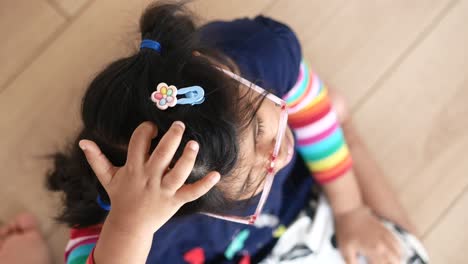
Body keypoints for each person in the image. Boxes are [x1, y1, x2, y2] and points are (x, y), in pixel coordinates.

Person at [42, 2, 428, 263]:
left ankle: (346, 133)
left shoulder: (256, 55)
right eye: (251, 180)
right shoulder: (113, 230)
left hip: (293, 210)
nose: (277, 155)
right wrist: (129, 227)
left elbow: (307, 100)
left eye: (261, 126)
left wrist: (350, 208)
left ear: (230, 77)